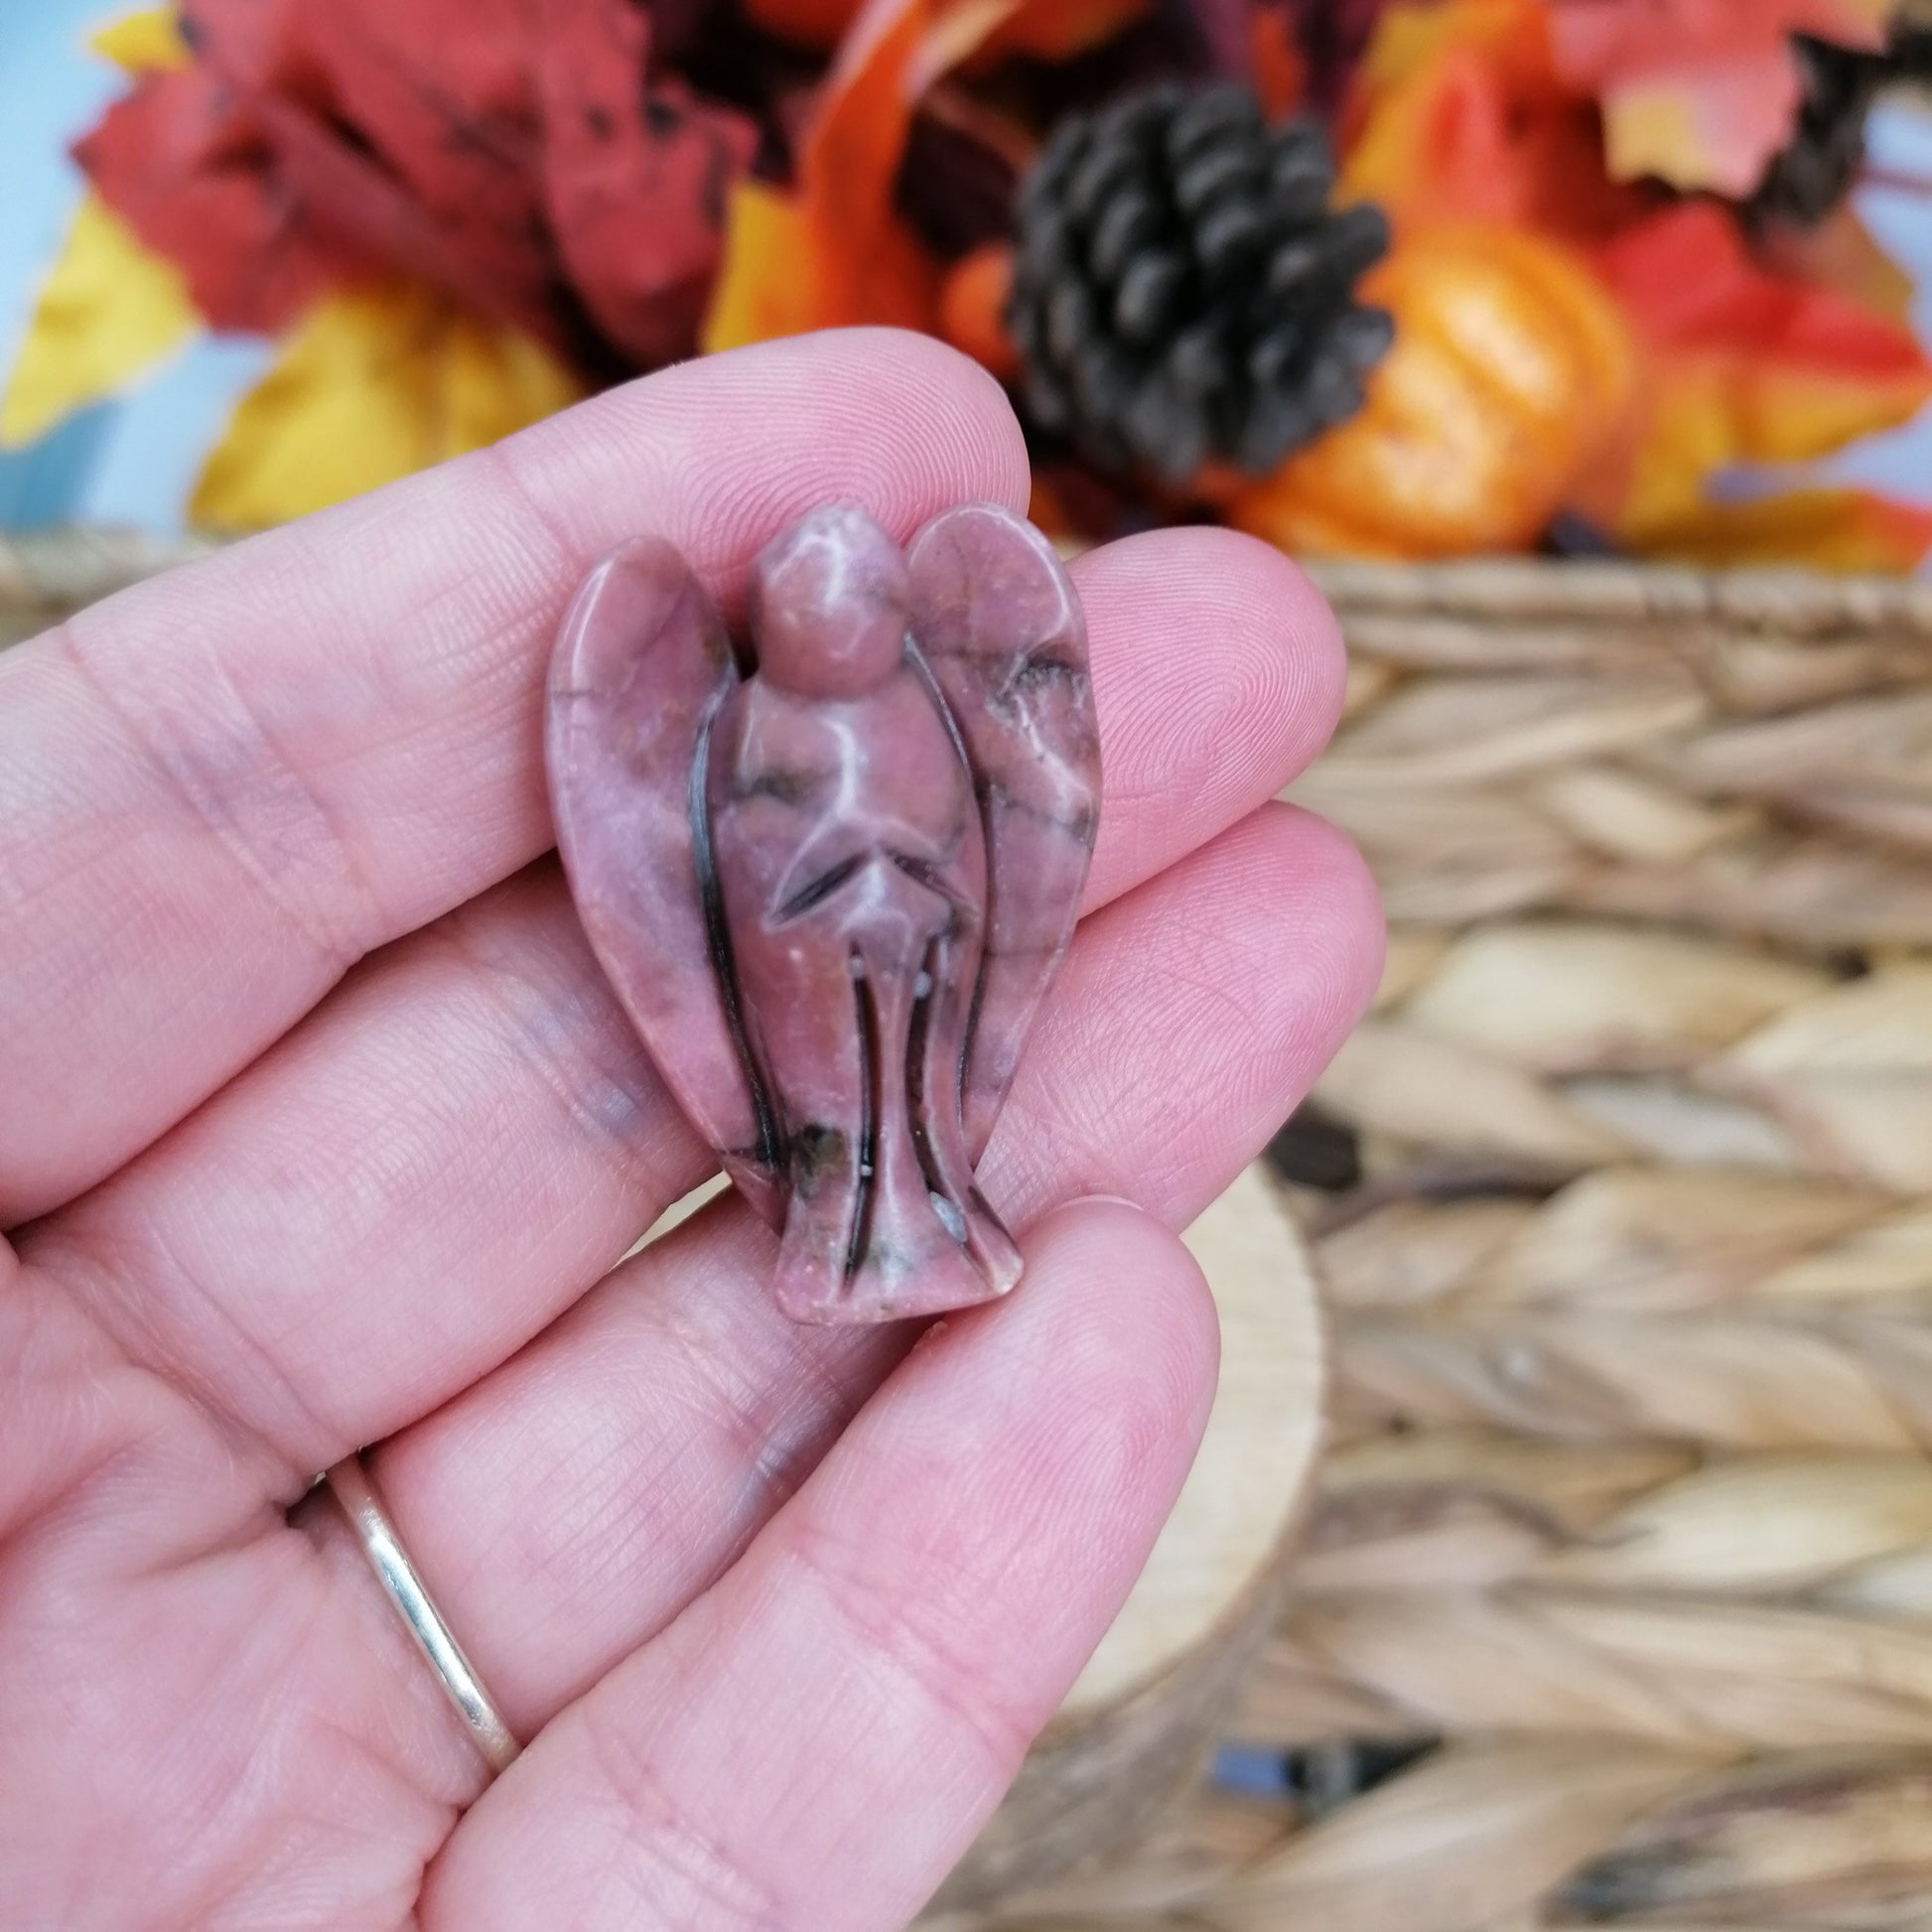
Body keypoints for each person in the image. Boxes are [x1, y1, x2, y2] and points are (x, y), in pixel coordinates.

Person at [0, 331, 1380, 1930]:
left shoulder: (936, 706)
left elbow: (966, 845)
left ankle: (911, 1198)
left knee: (917, 1092)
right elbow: (738, 893)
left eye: (852, 592)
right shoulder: (744, 733)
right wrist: (833, 893)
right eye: (807, 597)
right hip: (808, 989)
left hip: (915, 966)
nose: (830, 611)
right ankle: (847, 1208)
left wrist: (902, 895)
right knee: (841, 1093)